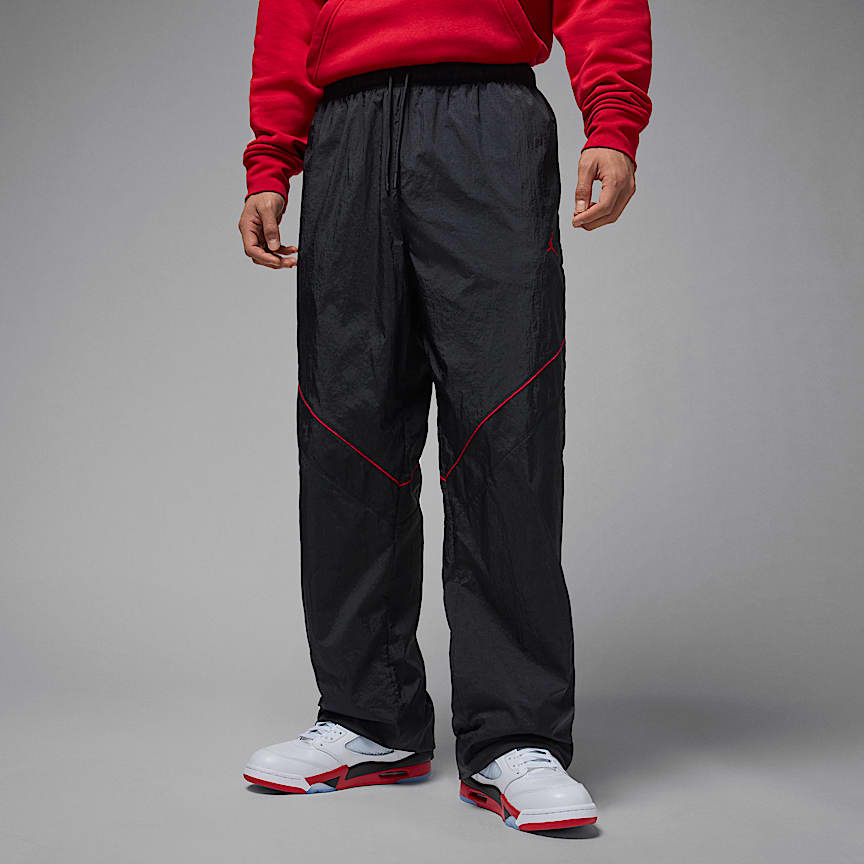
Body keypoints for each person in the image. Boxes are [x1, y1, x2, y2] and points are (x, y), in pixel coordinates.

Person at [238, 0, 651, 833]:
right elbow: (290, 14)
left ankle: (515, 734)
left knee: (505, 428)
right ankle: (369, 716)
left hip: (487, 121)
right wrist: (270, 161)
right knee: (346, 432)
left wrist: (611, 122)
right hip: (347, 132)